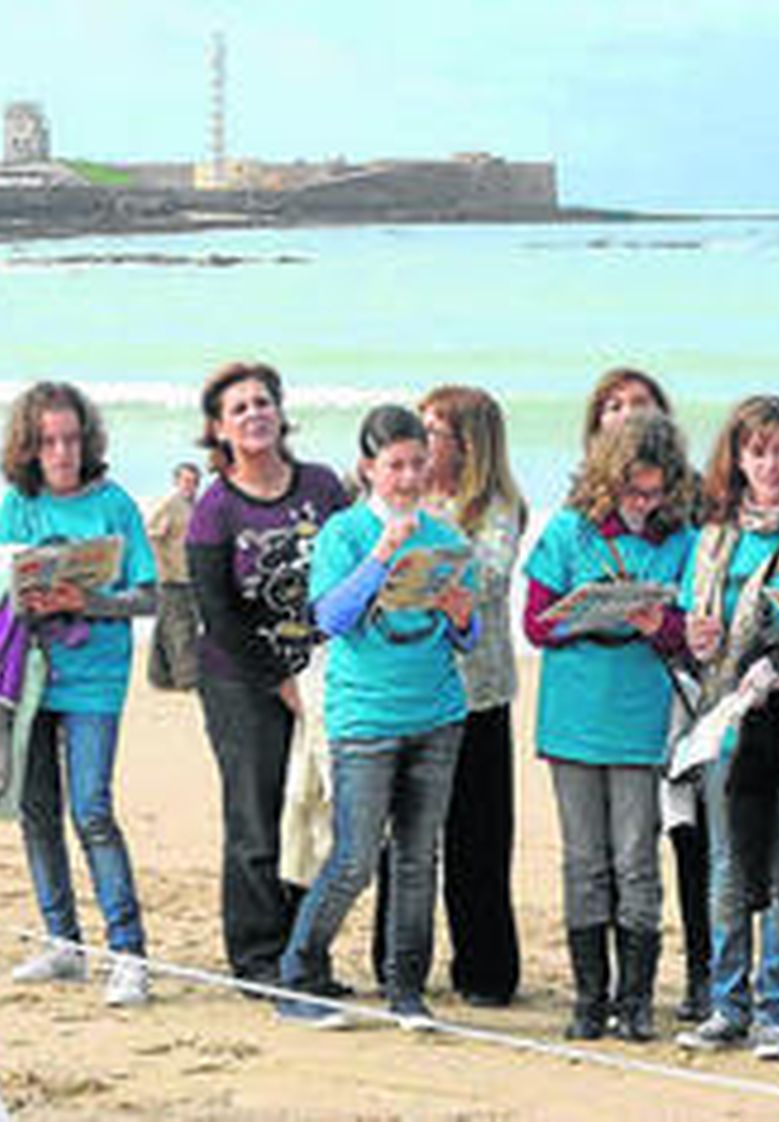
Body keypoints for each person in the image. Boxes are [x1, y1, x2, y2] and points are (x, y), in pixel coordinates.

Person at [275, 404, 476, 1030]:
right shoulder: (344, 533)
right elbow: (329, 619)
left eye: (419, 463)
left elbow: (466, 640)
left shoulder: (446, 537)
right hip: (363, 716)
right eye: (395, 466)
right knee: (356, 857)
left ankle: (406, 991)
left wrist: (463, 615)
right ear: (369, 468)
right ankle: (298, 975)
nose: (409, 477)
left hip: (438, 712)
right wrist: (381, 556)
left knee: (418, 858)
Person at [521, 412, 695, 1041]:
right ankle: (589, 1000)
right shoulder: (568, 532)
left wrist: (658, 626)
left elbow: (693, 636)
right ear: (607, 480)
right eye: (633, 492)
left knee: (636, 859)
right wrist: (587, 614)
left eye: (654, 492)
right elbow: (536, 625)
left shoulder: (682, 538)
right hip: (572, 715)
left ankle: (637, 1000)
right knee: (584, 860)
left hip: (640, 714)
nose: (643, 504)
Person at [0, 381, 159, 1007]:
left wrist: (90, 601)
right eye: (48, 441)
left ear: (87, 440)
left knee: (91, 810)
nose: (61, 452)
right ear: (29, 447)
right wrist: (18, 590)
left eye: (70, 439)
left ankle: (129, 953)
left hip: (95, 681)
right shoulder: (19, 505)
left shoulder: (115, 505)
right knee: (37, 812)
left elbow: (151, 595)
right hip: (30, 676)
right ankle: (63, 942)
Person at [676, 394, 779, 1061]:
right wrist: (697, 636)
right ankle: (727, 1005)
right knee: (725, 868)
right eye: (757, 451)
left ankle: (774, 1011)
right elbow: (691, 629)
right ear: (737, 461)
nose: (769, 464)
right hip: (725, 724)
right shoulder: (712, 538)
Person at [185, 362, 349, 989]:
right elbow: (218, 612)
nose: (254, 414)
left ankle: (305, 954)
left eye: (263, 403)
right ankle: (258, 958)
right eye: (239, 408)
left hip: (323, 672)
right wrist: (279, 682)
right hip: (241, 682)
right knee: (257, 817)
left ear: (280, 413)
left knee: (313, 813)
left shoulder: (321, 487)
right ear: (219, 429)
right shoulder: (215, 508)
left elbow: (350, 569)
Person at [369, 385, 527, 1007]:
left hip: (476, 694)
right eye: (422, 426)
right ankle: (395, 962)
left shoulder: (496, 504)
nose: (423, 439)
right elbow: (373, 571)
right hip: (407, 688)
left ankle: (486, 970)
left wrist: (420, 568)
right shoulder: (398, 495)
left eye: (435, 430)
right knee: (403, 836)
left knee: (478, 839)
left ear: (468, 444)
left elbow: (485, 578)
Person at [583, 365, 712, 1023]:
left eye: (640, 404)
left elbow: (699, 613)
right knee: (617, 849)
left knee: (690, 839)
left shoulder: (693, 509)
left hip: (687, 694)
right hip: (616, 705)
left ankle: (702, 975)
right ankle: (608, 990)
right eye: (613, 405)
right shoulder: (587, 514)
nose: (627, 415)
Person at [145, 461, 202, 691]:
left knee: (165, 626)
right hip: (172, 576)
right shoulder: (171, 506)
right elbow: (151, 534)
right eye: (186, 481)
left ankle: (159, 677)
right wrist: (162, 565)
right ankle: (187, 679)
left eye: (194, 482)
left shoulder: (195, 506)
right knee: (182, 627)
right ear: (177, 482)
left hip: (189, 575)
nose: (190, 486)